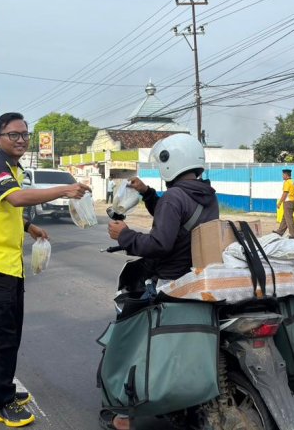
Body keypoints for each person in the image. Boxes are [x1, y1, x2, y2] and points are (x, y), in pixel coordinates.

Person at [0, 112, 90, 427]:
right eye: (13, 135)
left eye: (25, 134)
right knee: (4, 336)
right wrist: (63, 190)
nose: (21, 139)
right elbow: (18, 198)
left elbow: (3, 210)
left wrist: (29, 227)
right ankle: (1, 402)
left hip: (5, 265)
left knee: (2, 334)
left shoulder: (11, 168)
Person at [102, 133, 219, 430]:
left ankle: (124, 413)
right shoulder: (206, 194)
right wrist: (148, 193)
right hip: (197, 277)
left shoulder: (175, 198)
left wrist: (125, 235)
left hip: (170, 281)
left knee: (133, 338)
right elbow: (177, 220)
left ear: (169, 163)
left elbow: (160, 243)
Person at [274, 168, 294, 239]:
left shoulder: (287, 182)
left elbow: (285, 193)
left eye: (283, 175)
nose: (282, 176)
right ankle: (280, 231)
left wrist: (280, 202)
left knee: (289, 218)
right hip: (293, 201)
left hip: (288, 202)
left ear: (286, 175)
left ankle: (293, 234)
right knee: (285, 217)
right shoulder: (293, 182)